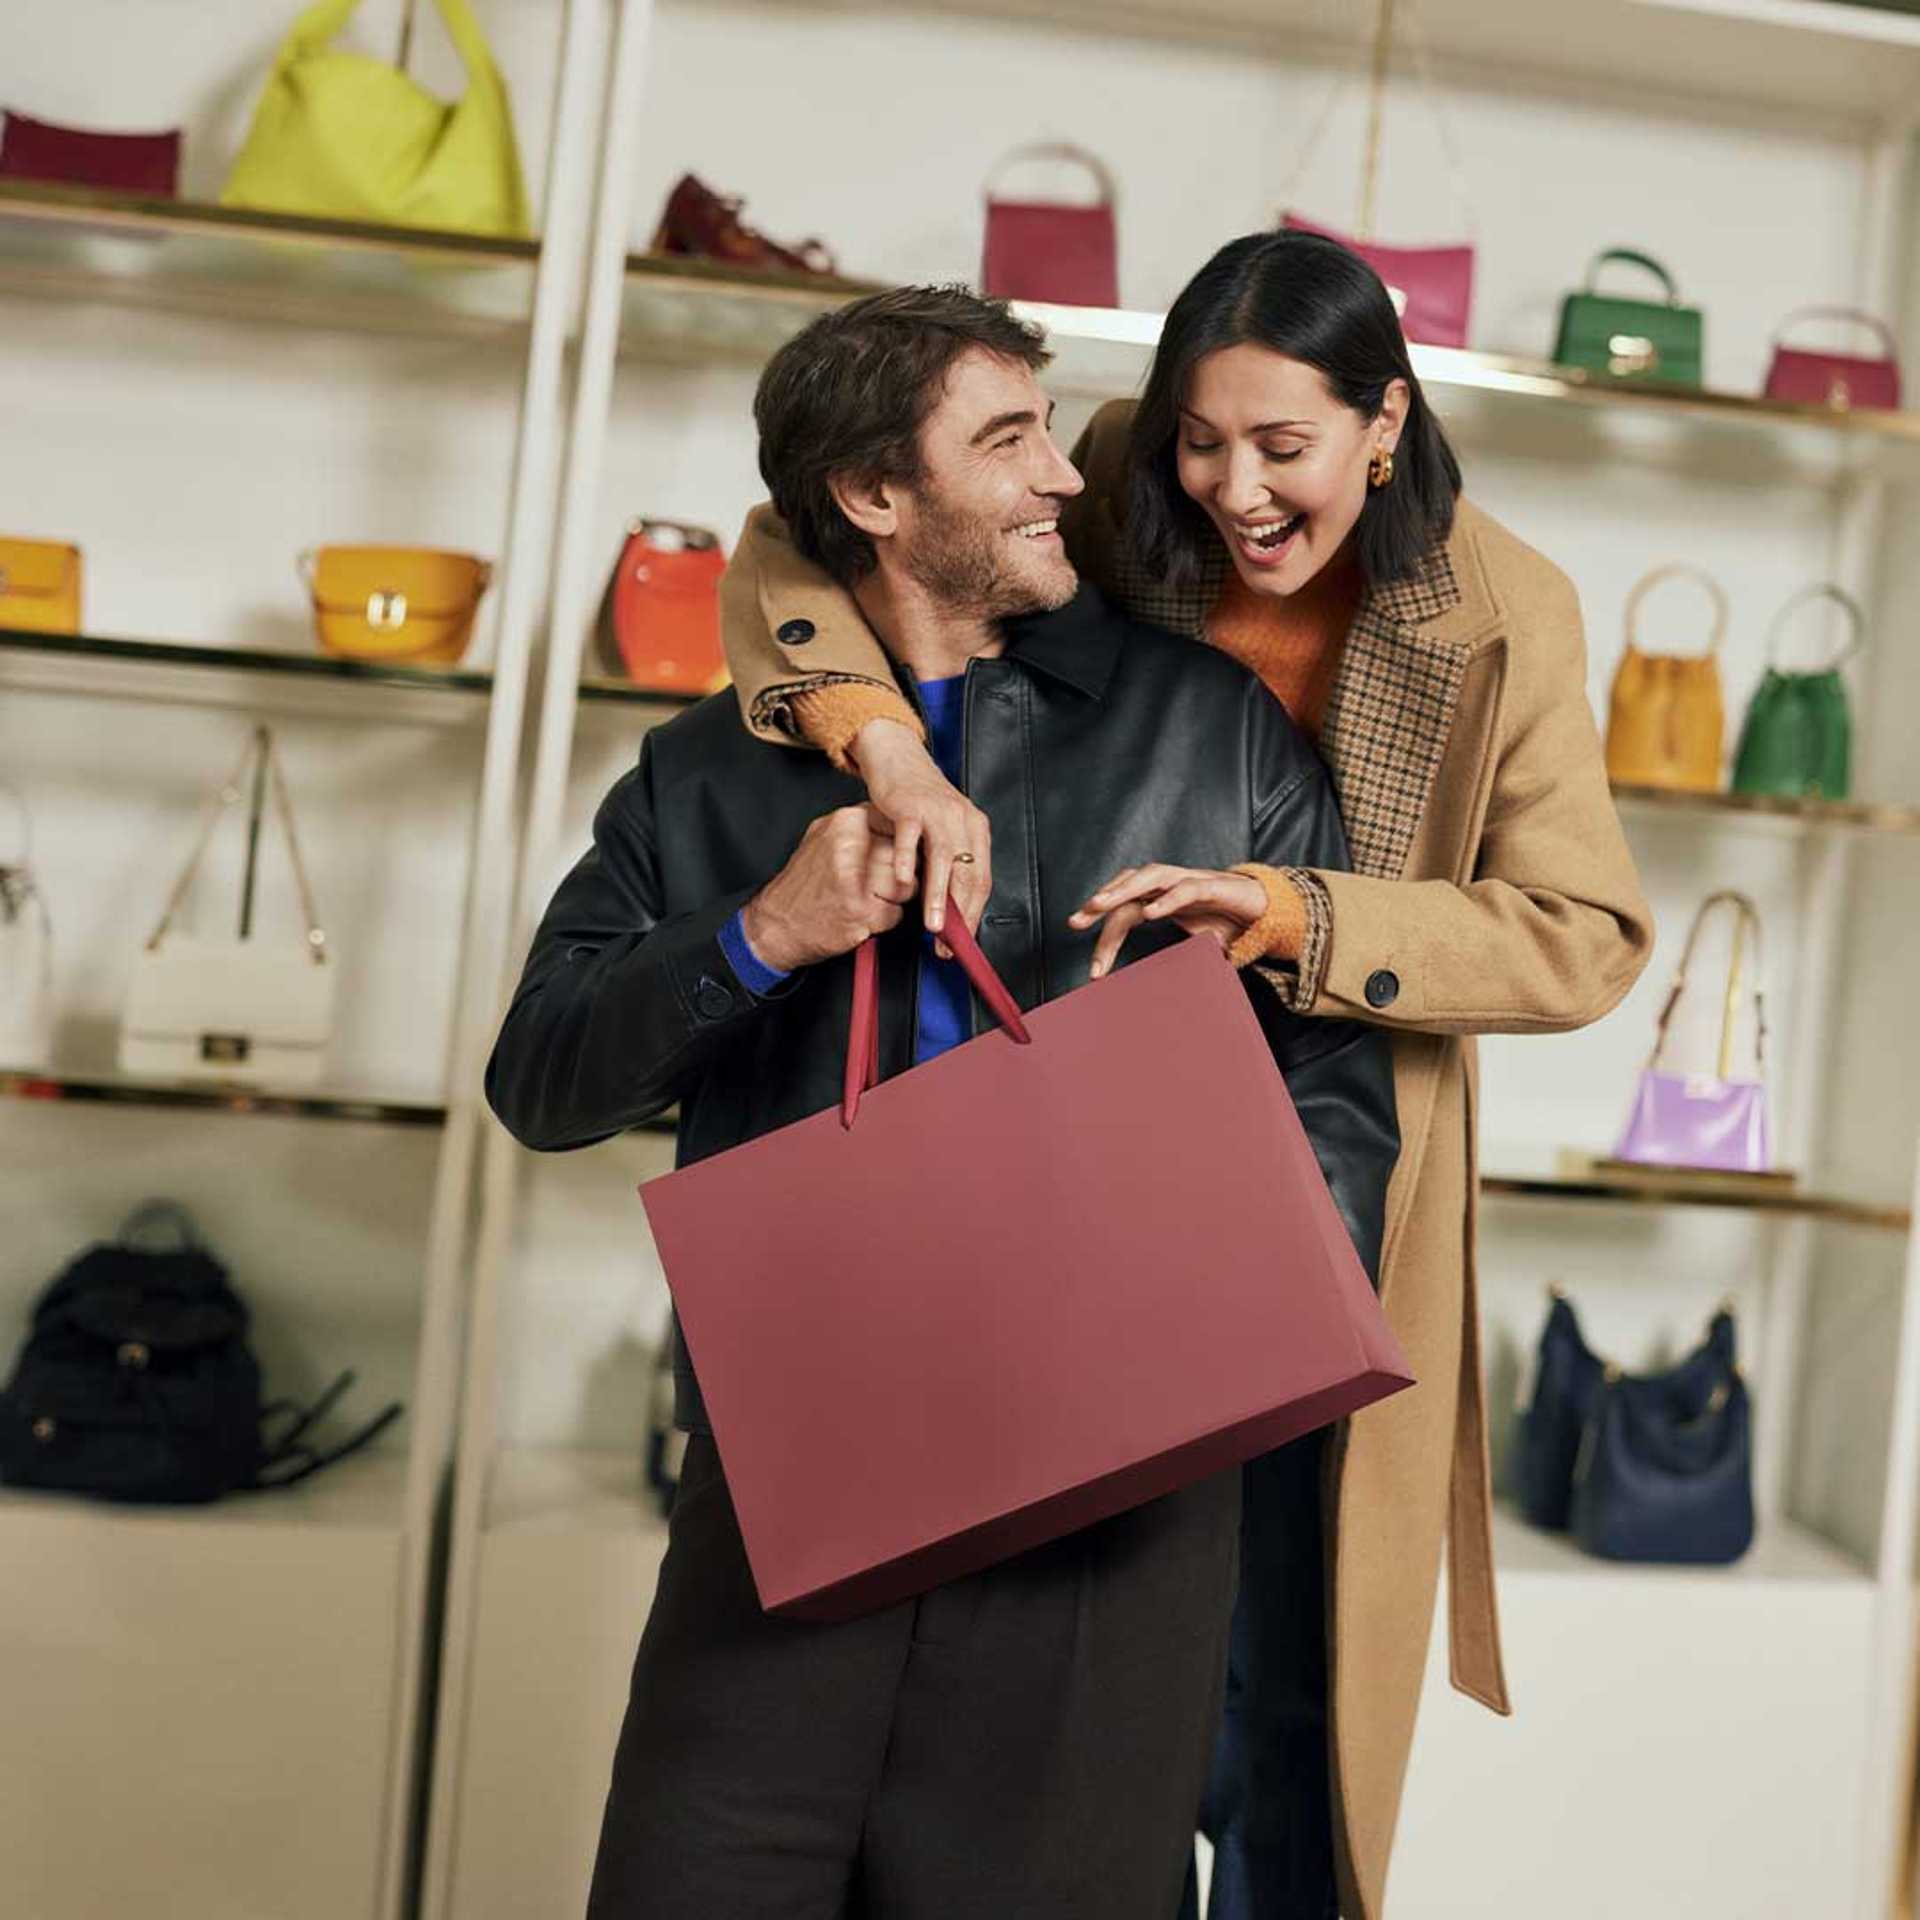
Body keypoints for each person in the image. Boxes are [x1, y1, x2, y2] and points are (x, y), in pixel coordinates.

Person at [717, 230, 1654, 1920]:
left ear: (1386, 420)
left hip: (1324, 1176)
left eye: (1283, 446)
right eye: (1201, 441)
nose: (1234, 491)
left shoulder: (1507, 611)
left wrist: (1297, 912)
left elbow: (1584, 933)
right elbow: (792, 546)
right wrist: (884, 743)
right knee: (1081, 1708)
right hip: (1065, 1150)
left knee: (1290, 1695)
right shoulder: (1099, 483)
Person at [484, 283, 1401, 1919]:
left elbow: (1330, 1084)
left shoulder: (1210, 728)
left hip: (1112, 1511)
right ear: (871, 495)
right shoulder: (707, 773)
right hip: (795, 1476)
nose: (1066, 475)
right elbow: (542, 1078)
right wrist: (763, 934)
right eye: (1008, 439)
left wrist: (1224, 1363)